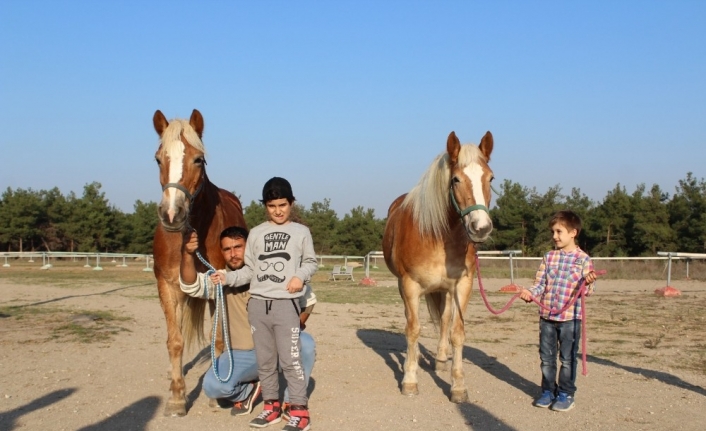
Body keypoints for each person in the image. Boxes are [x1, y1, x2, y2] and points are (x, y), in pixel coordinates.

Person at [179, 225, 317, 419]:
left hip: (276, 347)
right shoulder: (221, 279)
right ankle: (248, 391)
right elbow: (190, 285)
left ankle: (291, 400)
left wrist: (294, 326)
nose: (233, 254)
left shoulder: (275, 272)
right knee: (213, 387)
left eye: (238, 247)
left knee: (307, 344)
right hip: (241, 353)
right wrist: (187, 254)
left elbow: (308, 301)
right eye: (227, 249)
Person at [213, 177, 317, 431]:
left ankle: (299, 412)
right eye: (272, 206)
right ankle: (270, 406)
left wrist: (299, 276)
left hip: (286, 305)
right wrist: (227, 277)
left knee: (291, 361)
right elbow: (249, 271)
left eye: (282, 204)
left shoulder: (301, 232)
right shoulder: (257, 233)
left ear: (291, 203)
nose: (278, 210)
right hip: (258, 306)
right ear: (265, 206)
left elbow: (311, 262)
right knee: (266, 361)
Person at [519, 210, 598, 412]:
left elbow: (587, 291)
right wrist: (530, 293)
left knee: (567, 358)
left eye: (559, 231)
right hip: (547, 317)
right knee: (546, 358)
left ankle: (566, 393)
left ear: (573, 232)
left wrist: (588, 282)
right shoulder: (549, 257)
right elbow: (540, 284)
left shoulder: (583, 260)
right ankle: (548, 391)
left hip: (570, 319)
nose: (554, 236)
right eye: (553, 231)